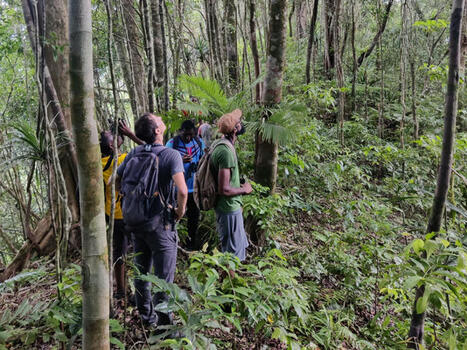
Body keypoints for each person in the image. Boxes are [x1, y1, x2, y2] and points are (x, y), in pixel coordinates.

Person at [116, 113, 188, 328]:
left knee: (141, 273)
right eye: (158, 120)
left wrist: (131, 201)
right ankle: (165, 327)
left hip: (137, 224)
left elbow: (114, 180)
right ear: (157, 131)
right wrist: (179, 211)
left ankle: (147, 321)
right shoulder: (171, 155)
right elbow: (183, 191)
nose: (161, 120)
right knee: (163, 278)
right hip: (162, 225)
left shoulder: (133, 153)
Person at [100, 121, 141, 301]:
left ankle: (121, 291)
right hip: (129, 214)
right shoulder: (124, 158)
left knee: (119, 252)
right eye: (115, 137)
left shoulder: (96, 164)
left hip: (112, 215)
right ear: (111, 144)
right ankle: (139, 291)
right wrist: (130, 134)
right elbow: (149, 147)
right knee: (139, 252)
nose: (118, 137)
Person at [210, 109, 252, 261]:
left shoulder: (223, 144)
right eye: (239, 123)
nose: (241, 124)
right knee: (232, 254)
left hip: (231, 207)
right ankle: (229, 282)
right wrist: (244, 189)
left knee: (234, 248)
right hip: (228, 208)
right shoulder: (225, 151)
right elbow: (224, 189)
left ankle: (230, 281)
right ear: (235, 129)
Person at [166, 120, 205, 250]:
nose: (188, 138)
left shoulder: (199, 143)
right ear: (180, 132)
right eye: (185, 135)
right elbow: (164, 162)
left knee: (194, 217)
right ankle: (173, 243)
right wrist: (180, 160)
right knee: (174, 216)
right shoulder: (172, 143)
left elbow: (204, 160)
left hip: (194, 187)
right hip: (176, 189)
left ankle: (192, 244)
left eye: (191, 135)